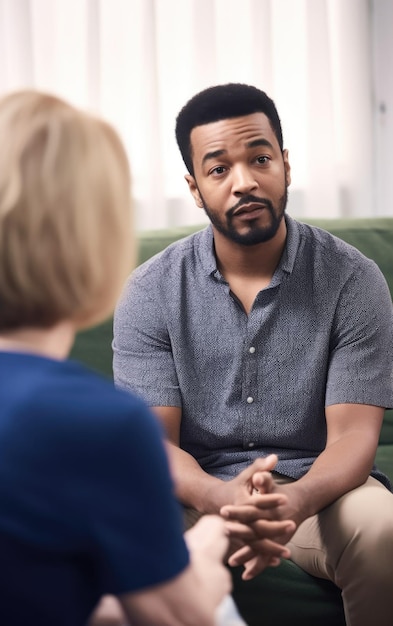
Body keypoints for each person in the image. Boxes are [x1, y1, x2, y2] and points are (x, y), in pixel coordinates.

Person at [0, 88, 287, 626]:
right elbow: (182, 614)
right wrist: (210, 557)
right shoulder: (99, 425)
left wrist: (216, 522)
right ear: (96, 240)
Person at [112, 83, 393, 626]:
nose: (245, 182)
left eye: (260, 158)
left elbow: (355, 437)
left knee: (384, 534)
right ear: (195, 188)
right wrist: (221, 498)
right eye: (219, 170)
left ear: (285, 165)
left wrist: (294, 501)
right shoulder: (150, 290)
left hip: (321, 490)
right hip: (192, 491)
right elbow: (156, 445)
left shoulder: (353, 278)